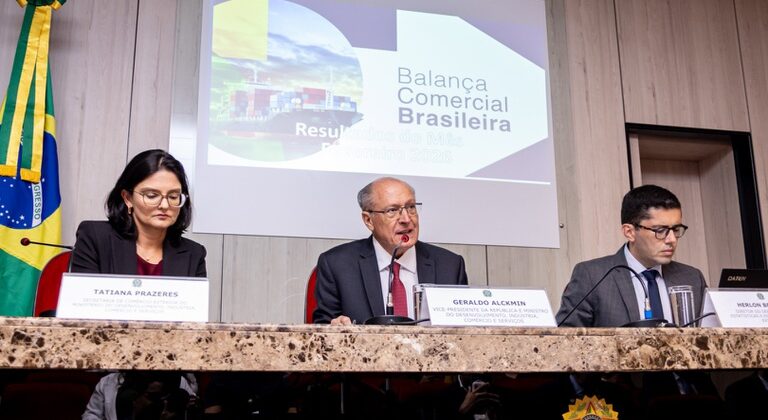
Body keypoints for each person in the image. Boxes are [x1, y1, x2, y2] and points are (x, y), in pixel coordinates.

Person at [313, 177, 468, 325]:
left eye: (411, 207)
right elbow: (322, 330)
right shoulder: (337, 265)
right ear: (368, 220)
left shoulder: (450, 266)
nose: (406, 219)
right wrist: (336, 327)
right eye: (392, 210)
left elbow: (465, 332)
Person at [556, 184, 707, 327]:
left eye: (676, 229)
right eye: (660, 230)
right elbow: (564, 337)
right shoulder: (593, 276)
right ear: (629, 232)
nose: (672, 239)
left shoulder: (692, 278)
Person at [71, 149, 206, 277]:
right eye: (152, 196)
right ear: (128, 198)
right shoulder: (95, 238)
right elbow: (83, 293)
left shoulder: (194, 254)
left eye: (173, 196)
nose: (165, 205)